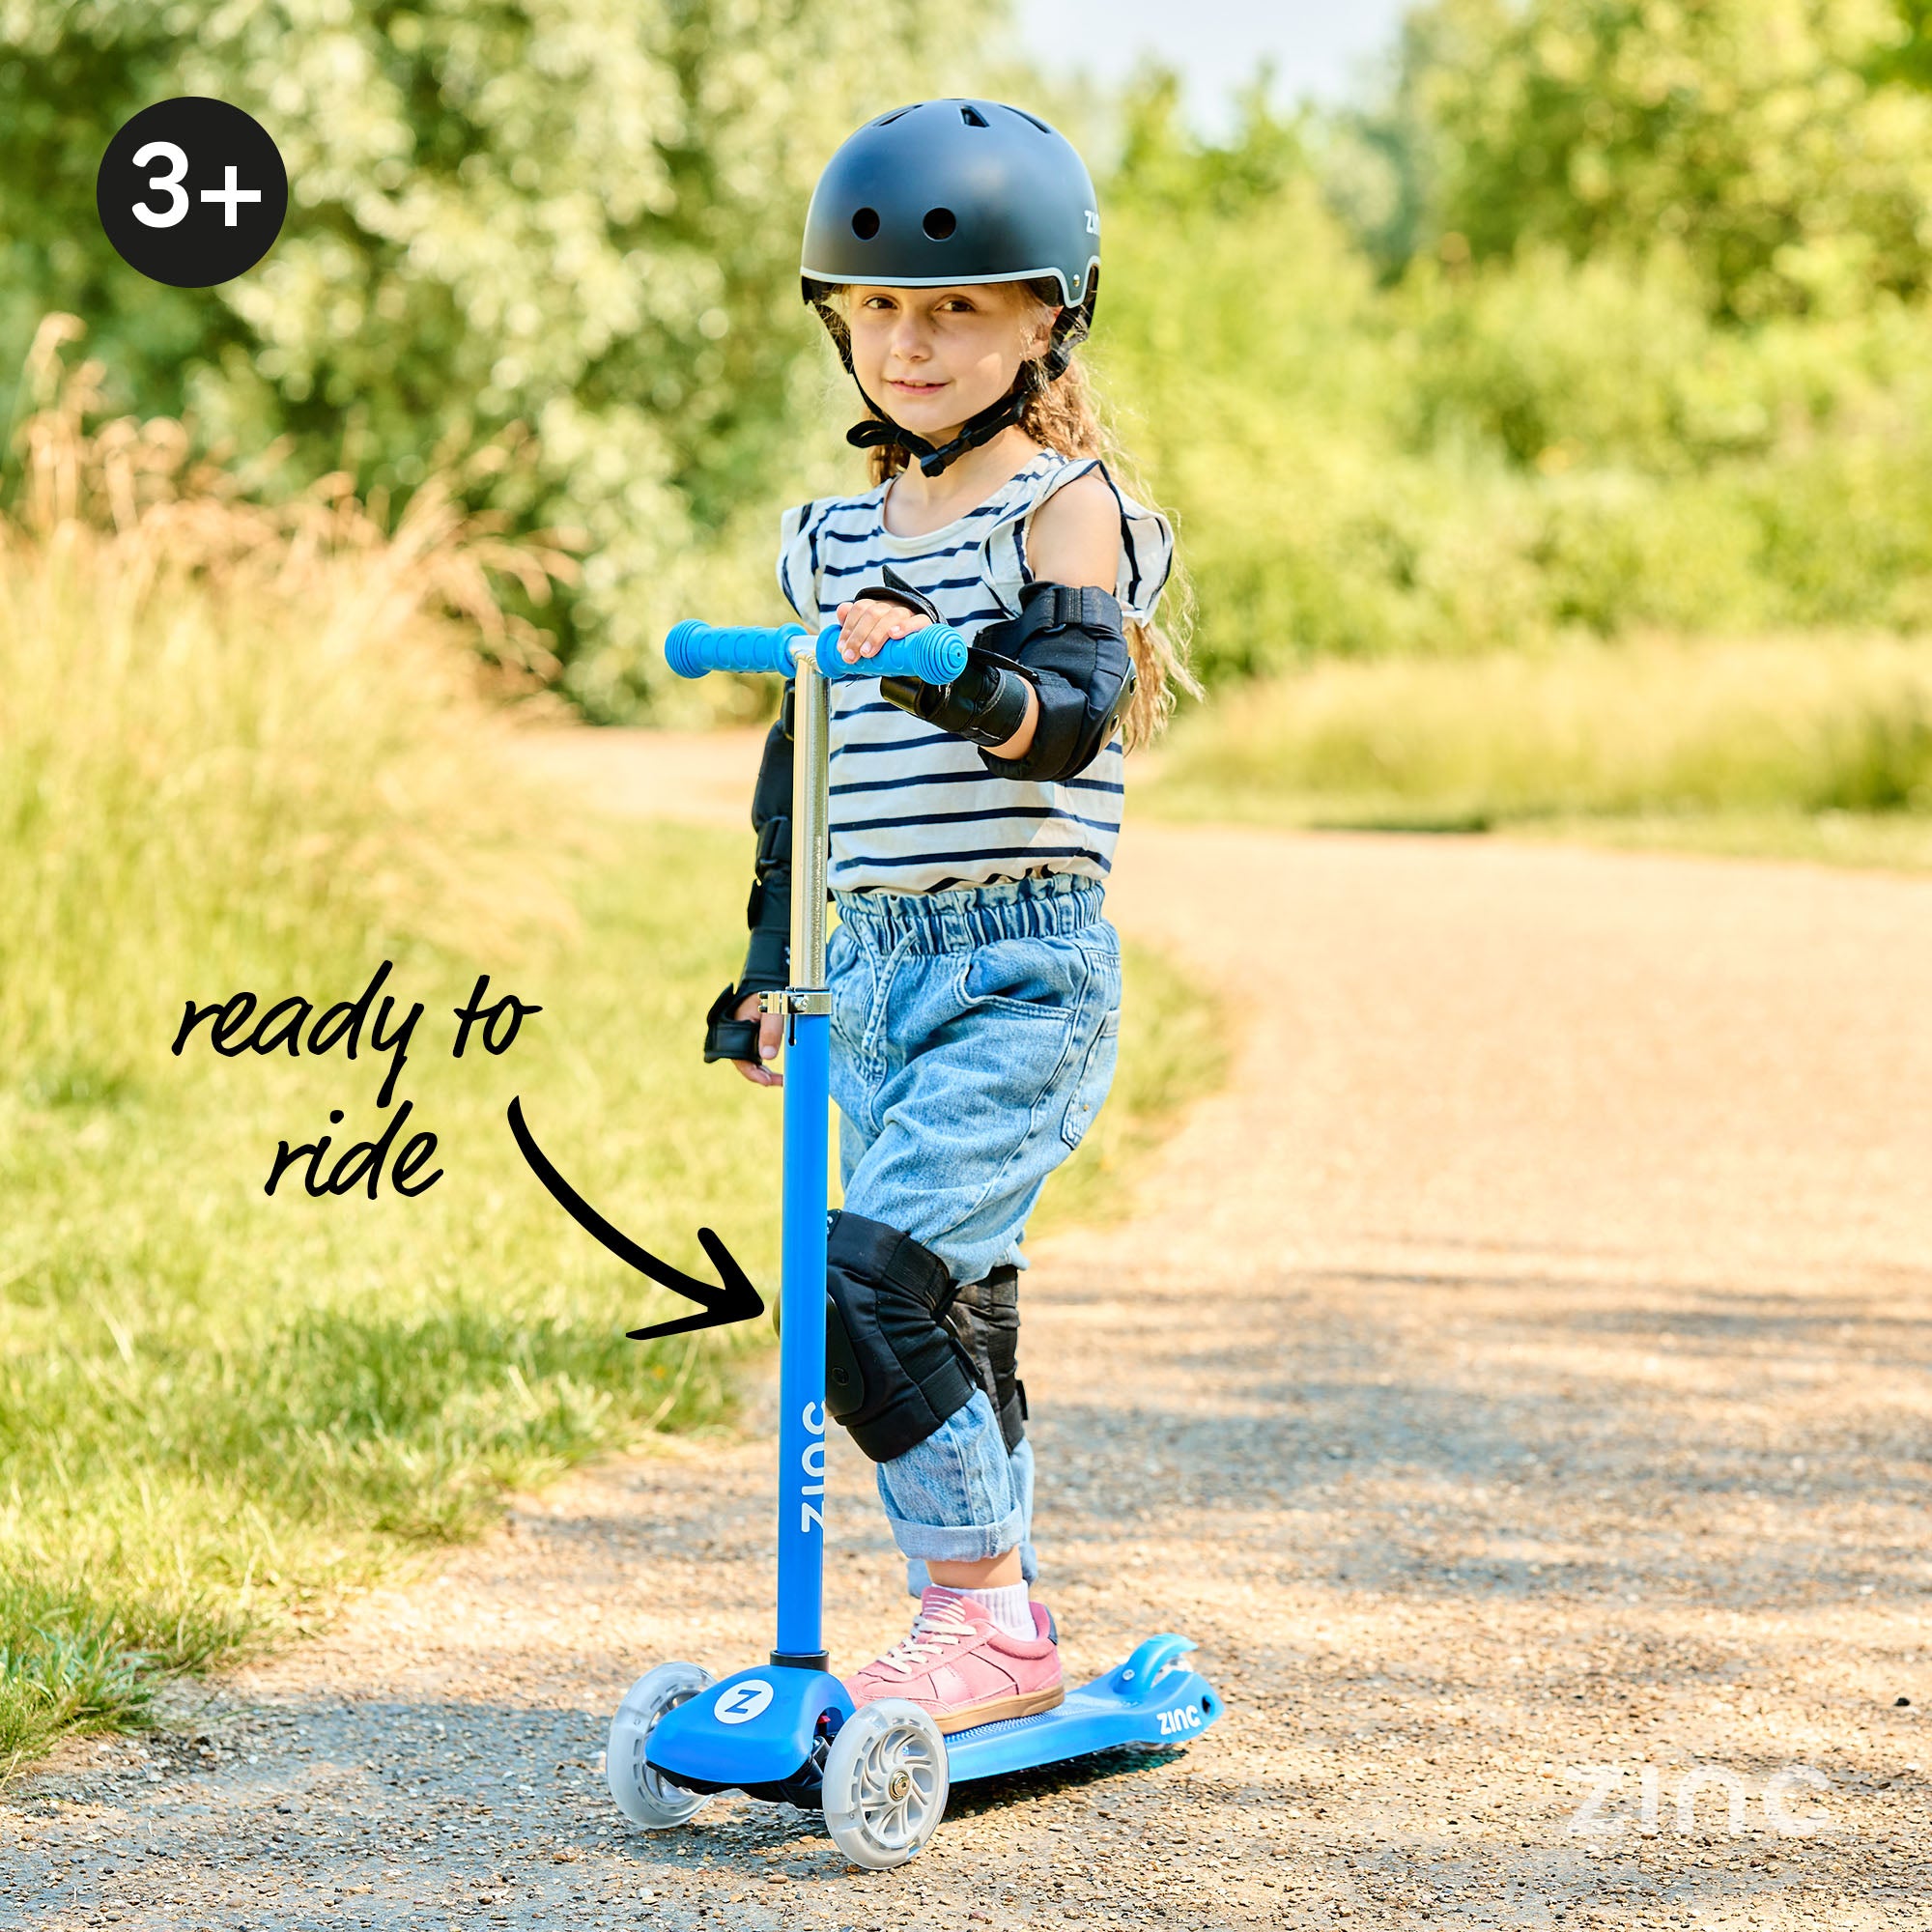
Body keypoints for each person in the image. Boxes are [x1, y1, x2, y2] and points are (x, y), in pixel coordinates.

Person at [699, 98, 1194, 1733]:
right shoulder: (830, 537)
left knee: (860, 1286)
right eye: (881, 309)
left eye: (958, 308)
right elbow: (802, 770)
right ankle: (1004, 1615)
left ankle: (980, 1615)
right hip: (873, 971)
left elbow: (1070, 710)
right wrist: (771, 966)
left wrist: (940, 668)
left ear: (1046, 318)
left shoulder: (1062, 504)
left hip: (1015, 971)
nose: (910, 345)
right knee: (954, 1301)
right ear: (838, 317)